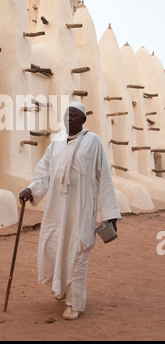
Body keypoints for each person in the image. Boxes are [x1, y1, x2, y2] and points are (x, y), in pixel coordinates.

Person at [19, 101, 121, 320]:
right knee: (55, 246)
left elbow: (104, 178)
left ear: (83, 119)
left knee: (77, 251)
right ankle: (62, 289)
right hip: (57, 209)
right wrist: (31, 189)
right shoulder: (55, 141)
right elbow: (43, 172)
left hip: (81, 209)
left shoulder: (92, 142)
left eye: (73, 115)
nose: (68, 118)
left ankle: (74, 303)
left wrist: (109, 214)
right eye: (66, 115)